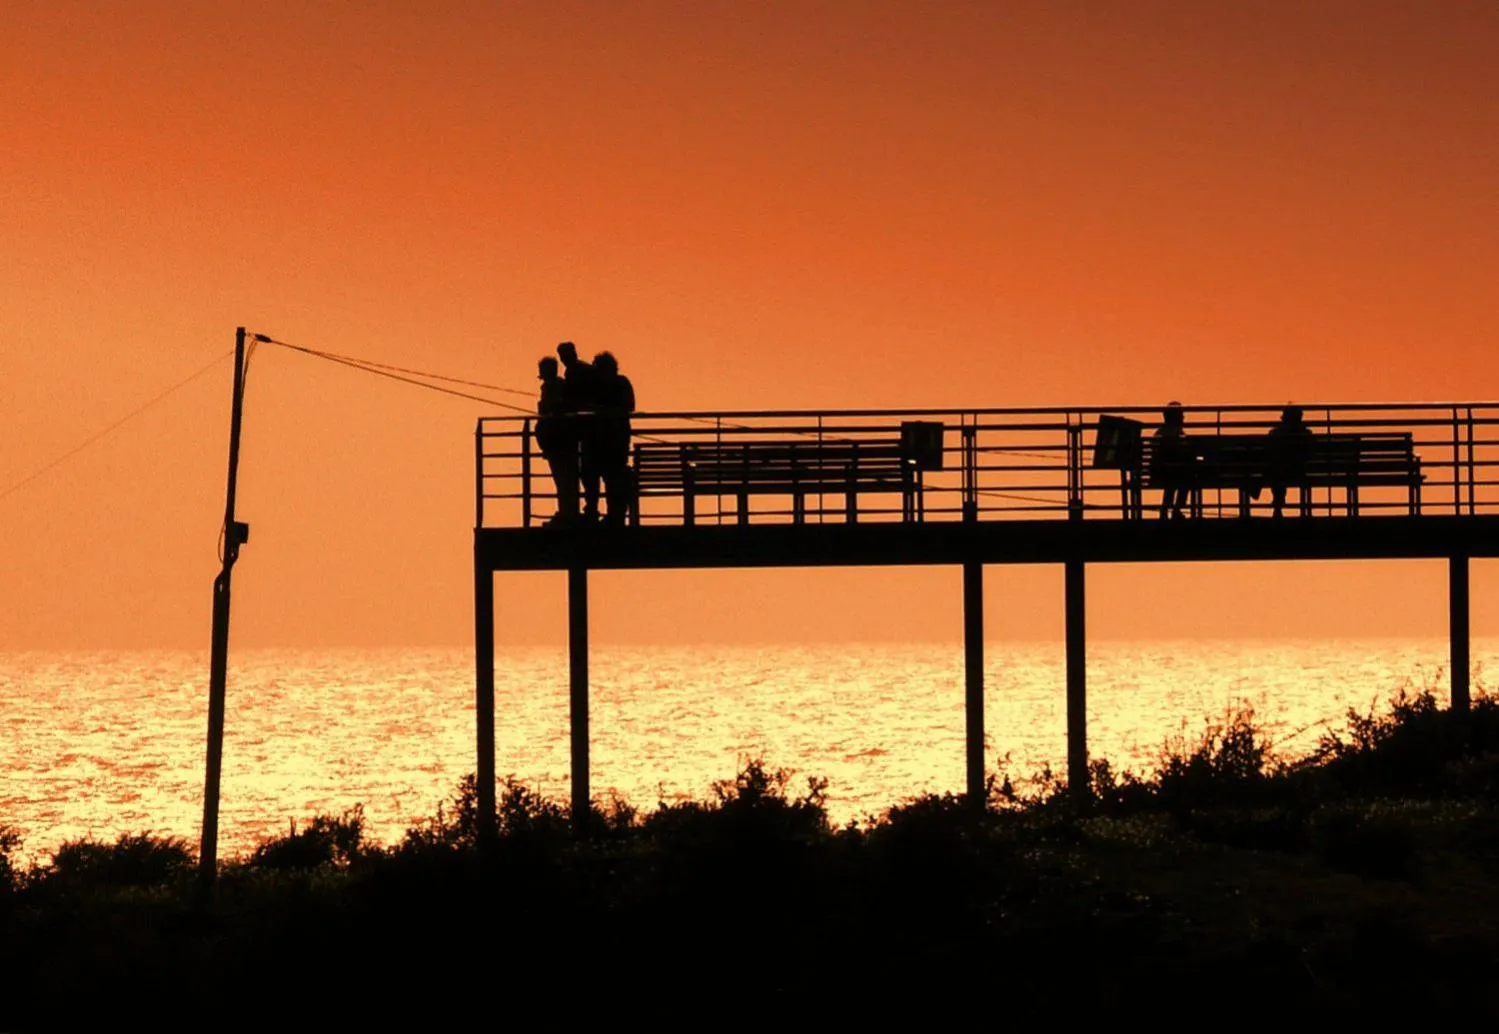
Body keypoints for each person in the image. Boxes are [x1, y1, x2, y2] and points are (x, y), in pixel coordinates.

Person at [591, 351, 636, 526]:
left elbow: (628, 406)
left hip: (613, 438)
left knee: (612, 476)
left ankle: (615, 515)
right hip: (614, 437)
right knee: (611, 476)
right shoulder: (621, 383)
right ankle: (615, 514)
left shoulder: (617, 384)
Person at [556, 342, 599, 520]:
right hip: (587, 426)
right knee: (588, 470)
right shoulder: (583, 369)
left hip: (584, 427)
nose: (564, 358)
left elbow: (571, 397)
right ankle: (589, 507)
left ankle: (588, 508)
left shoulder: (575, 372)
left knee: (587, 469)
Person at [534, 356, 577, 524]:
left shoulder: (555, 387)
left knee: (564, 478)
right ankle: (567, 511)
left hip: (559, 440)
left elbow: (551, 412)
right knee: (564, 478)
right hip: (556, 440)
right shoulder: (559, 386)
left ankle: (568, 513)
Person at [1265, 404, 1313, 518]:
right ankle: (1278, 504)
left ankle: (1277, 506)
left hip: (1280, 472)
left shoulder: (1275, 433)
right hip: (1300, 472)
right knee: (1277, 471)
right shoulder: (1306, 434)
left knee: (1276, 472)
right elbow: (1310, 453)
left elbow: (1268, 452)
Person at [1151, 401, 1193, 519]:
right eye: (1181, 415)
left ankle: (1166, 509)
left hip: (1159, 473)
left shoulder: (1160, 433)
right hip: (1166, 473)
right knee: (1183, 479)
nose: (1183, 418)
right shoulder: (1175, 433)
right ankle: (1176, 509)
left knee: (1175, 477)